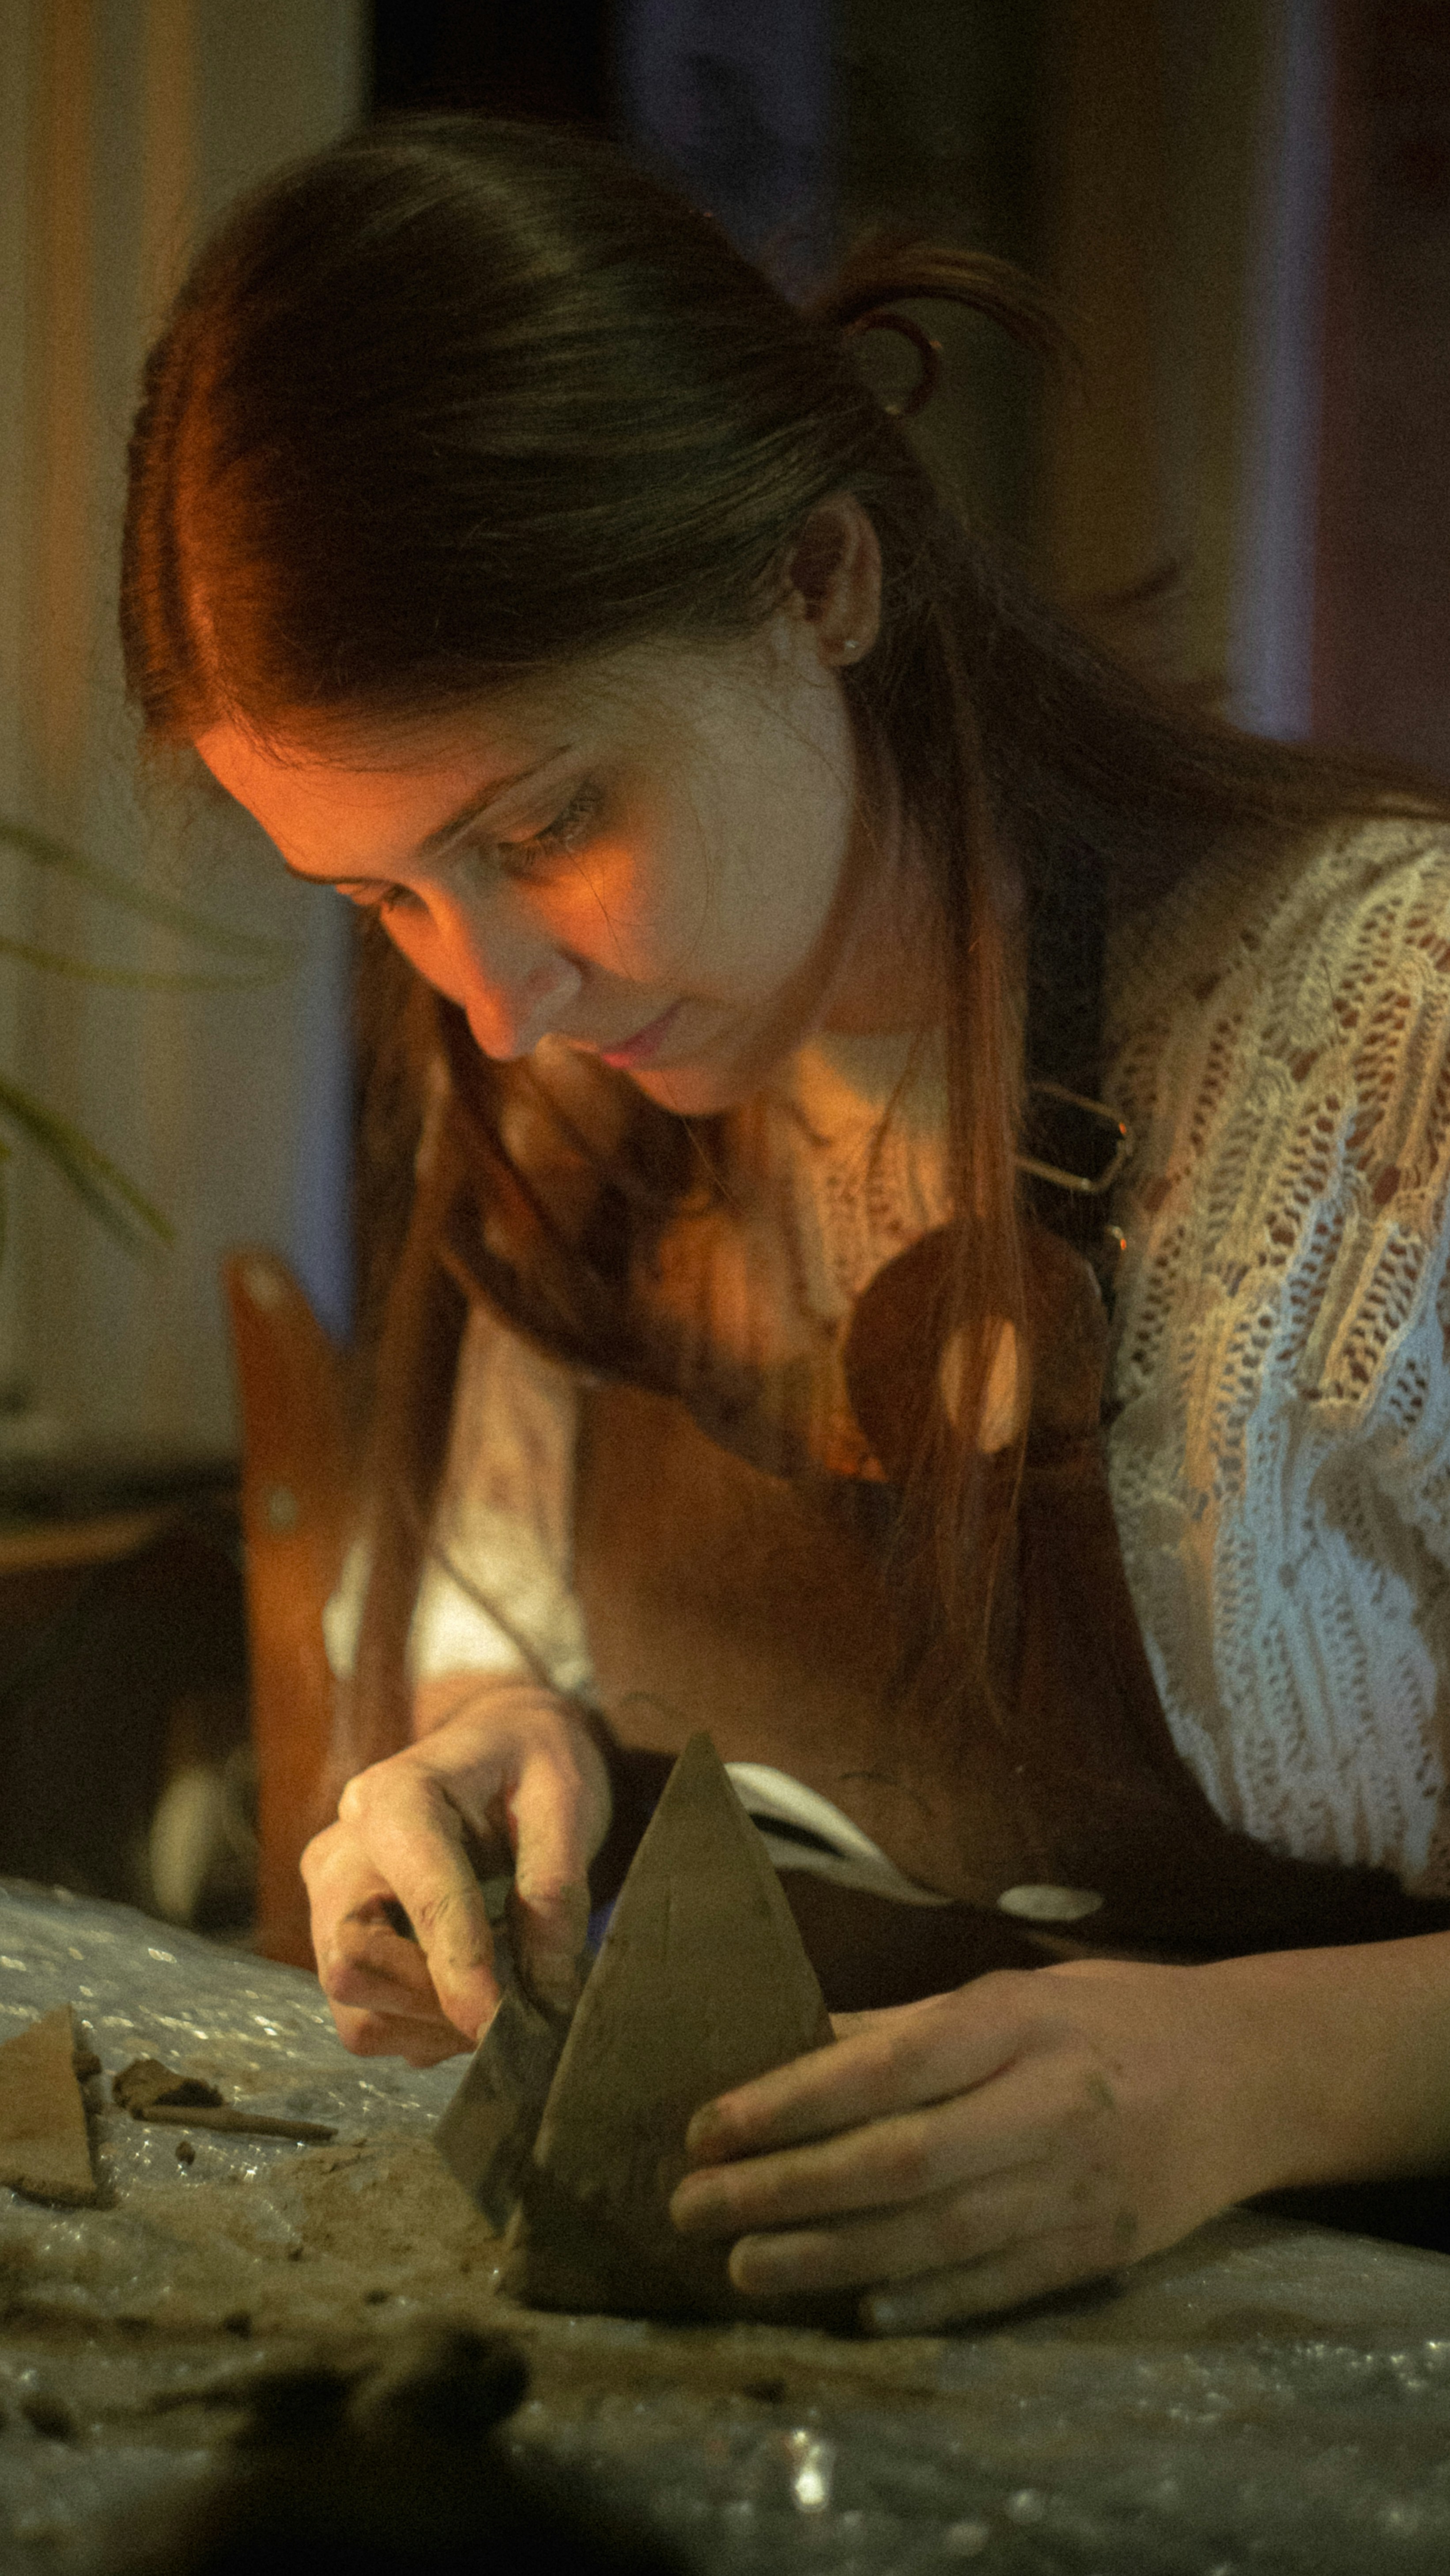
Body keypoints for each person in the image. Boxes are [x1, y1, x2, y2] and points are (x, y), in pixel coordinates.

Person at [122, 116, 1450, 2334]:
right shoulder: (571, 1068)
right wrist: (494, 1751)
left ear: (821, 580)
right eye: (378, 896)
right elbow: (501, 1611)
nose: (492, 998)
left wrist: (1245, 2072)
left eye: (546, 820)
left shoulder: (1377, 1047)